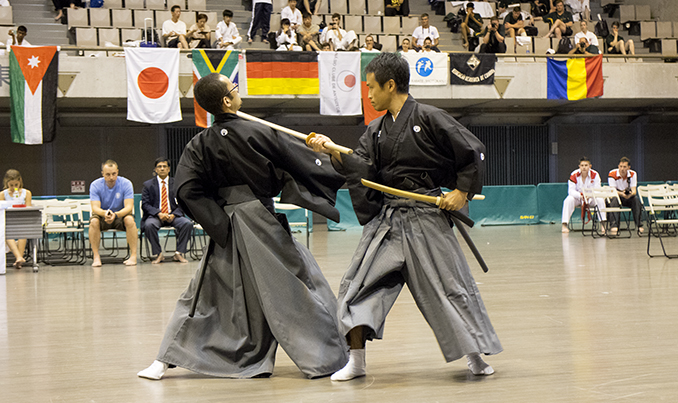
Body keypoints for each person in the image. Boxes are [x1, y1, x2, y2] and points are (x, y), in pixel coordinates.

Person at [137, 73, 348, 380]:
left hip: (226, 224)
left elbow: (185, 189)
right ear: (226, 100)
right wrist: (331, 157)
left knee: (205, 292)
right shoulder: (258, 132)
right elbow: (296, 160)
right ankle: (331, 357)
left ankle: (165, 359)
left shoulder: (199, 144)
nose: (238, 93)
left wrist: (218, 222)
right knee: (297, 281)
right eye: (234, 89)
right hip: (259, 219)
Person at [308, 53, 502, 382]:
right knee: (356, 287)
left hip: (426, 214)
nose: (368, 94)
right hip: (387, 219)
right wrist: (331, 151)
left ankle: (474, 356)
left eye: (371, 88)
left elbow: (472, 151)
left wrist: (462, 192)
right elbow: (362, 167)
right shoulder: (376, 129)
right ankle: (356, 361)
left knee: (450, 288)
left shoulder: (429, 117)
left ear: (390, 85)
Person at [141, 158, 193, 264]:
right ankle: (158, 254)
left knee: (187, 224)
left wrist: (174, 214)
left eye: (164, 166)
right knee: (149, 225)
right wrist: (158, 213)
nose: (162, 169)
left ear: (169, 169)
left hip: (173, 216)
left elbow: (183, 203)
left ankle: (179, 253)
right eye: (159, 167)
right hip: (156, 216)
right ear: (155, 169)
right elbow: (145, 205)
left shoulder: (177, 184)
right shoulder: (148, 185)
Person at [89, 160, 137, 267]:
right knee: (93, 221)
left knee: (130, 220)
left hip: (120, 215)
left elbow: (129, 207)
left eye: (114, 174)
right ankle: (96, 256)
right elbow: (95, 208)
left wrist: (116, 215)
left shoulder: (126, 183)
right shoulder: (95, 185)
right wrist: (105, 213)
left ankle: (133, 256)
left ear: (118, 172)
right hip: (102, 215)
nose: (111, 177)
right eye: (108, 174)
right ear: (102, 174)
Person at [561, 157, 606, 233]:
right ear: (579, 166)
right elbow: (571, 191)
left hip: (591, 197)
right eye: (582, 165)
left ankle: (603, 224)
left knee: (600, 200)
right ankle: (564, 225)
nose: (584, 167)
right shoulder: (574, 174)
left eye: (586, 165)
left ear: (590, 166)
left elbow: (597, 190)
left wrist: (589, 195)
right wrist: (580, 196)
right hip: (578, 198)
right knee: (568, 200)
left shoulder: (595, 175)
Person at [0, 169, 32, 269]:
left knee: (23, 232)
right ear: (6, 183)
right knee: (7, 233)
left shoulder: (26, 193)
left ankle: (19, 258)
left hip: (22, 221)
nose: (14, 188)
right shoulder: (2, 194)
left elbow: (28, 209)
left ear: (20, 182)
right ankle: (19, 257)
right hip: (8, 222)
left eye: (16, 185)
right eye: (11, 185)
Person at [608, 157, 644, 235]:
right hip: (617, 195)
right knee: (614, 200)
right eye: (620, 166)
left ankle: (639, 224)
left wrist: (629, 195)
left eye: (624, 167)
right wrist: (622, 194)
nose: (622, 169)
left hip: (627, 196)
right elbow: (612, 190)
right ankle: (614, 225)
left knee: (636, 200)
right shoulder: (612, 173)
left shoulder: (633, 174)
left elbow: (634, 190)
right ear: (618, 166)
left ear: (628, 168)